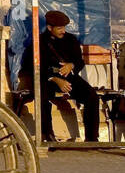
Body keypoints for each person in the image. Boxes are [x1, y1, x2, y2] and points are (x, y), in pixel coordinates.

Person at [19, 10, 101, 142]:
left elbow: (79, 61)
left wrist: (71, 65)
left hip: (69, 78)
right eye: (59, 28)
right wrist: (55, 79)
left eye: (64, 27)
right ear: (49, 28)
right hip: (48, 79)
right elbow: (32, 66)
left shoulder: (71, 40)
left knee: (91, 96)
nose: (63, 31)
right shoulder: (39, 42)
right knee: (42, 95)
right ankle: (47, 134)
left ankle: (92, 138)